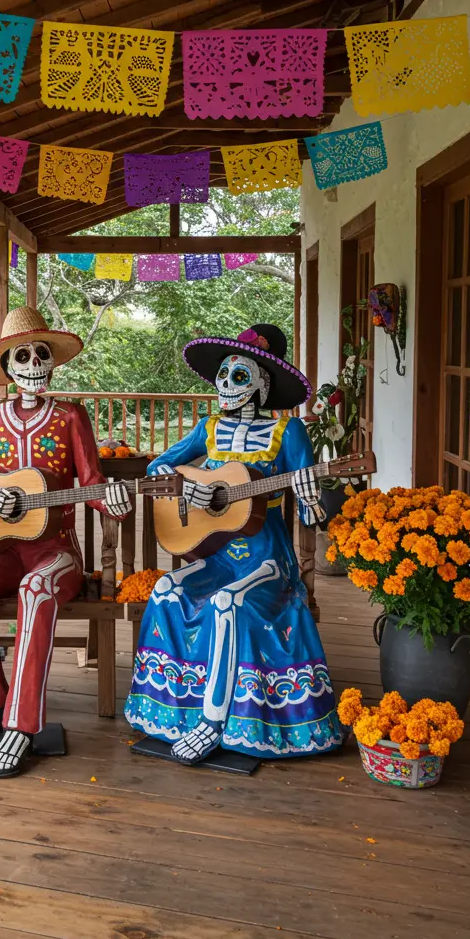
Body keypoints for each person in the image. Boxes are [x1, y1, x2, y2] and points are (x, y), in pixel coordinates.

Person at [125, 323, 342, 763]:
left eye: (239, 376)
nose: (225, 384)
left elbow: (308, 514)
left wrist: (310, 500)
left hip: (267, 557)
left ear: (263, 384)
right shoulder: (208, 428)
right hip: (218, 553)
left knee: (228, 603)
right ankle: (168, 710)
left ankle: (213, 720)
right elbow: (157, 469)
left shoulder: (289, 433)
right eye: (223, 375)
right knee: (166, 588)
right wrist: (190, 486)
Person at [0, 306, 130, 777]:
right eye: (22, 355)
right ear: (7, 366)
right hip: (3, 550)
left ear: (53, 362)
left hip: (55, 551)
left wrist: (115, 503)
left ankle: (21, 726)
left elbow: (92, 482)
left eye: (42, 353)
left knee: (37, 590)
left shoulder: (70, 417)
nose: (33, 362)